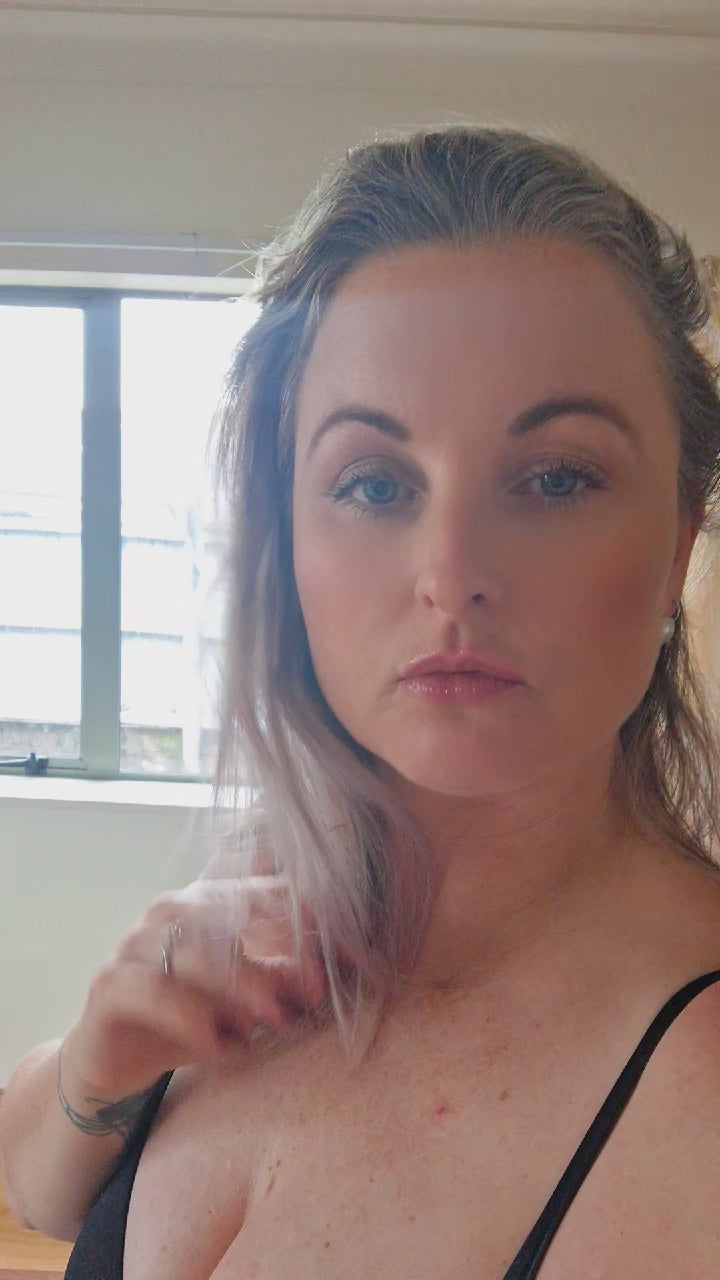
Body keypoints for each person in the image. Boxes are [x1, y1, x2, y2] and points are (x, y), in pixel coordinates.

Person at [3, 123, 720, 1279]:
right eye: (375, 482)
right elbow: (37, 1183)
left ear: (682, 531)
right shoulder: (271, 892)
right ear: (288, 529)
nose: (451, 573)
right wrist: (93, 1070)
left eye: (555, 477)